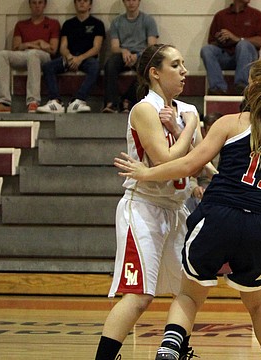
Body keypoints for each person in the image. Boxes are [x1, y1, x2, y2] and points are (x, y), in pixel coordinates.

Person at [114, 57, 261, 360]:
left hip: (218, 216)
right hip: (260, 223)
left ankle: (168, 351)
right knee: (258, 302)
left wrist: (145, 173)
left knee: (190, 295)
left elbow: (190, 163)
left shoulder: (232, 122)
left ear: (255, 87)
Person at [95, 44, 206, 360]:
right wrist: (190, 127)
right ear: (155, 73)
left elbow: (196, 163)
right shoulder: (144, 109)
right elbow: (165, 159)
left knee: (190, 290)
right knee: (138, 296)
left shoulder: (183, 109)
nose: (184, 70)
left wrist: (179, 127)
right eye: (176, 64)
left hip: (175, 210)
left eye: (184, 63)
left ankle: (174, 350)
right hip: (143, 207)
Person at [0, 0, 59, 113]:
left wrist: (33, 45)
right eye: (34, 3)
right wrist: (36, 43)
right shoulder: (21, 25)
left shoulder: (53, 23)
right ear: (29, 5)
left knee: (33, 54)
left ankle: (33, 101)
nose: (37, 6)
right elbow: (16, 46)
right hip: (26, 54)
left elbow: (53, 49)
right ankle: (4, 102)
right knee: (2, 54)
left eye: (40, 3)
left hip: (44, 57)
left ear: (44, 5)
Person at [36, 0, 104, 114]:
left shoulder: (97, 24)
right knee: (48, 66)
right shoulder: (68, 24)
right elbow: (63, 47)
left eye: (85, 1)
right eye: (79, 1)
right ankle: (55, 102)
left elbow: (96, 48)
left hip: (87, 59)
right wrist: (69, 57)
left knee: (95, 66)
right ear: (75, 4)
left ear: (90, 5)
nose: (82, 3)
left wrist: (80, 58)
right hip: (69, 58)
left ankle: (78, 100)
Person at [102, 0, 159, 113]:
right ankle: (111, 103)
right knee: (110, 64)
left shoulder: (148, 20)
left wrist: (137, 55)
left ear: (139, 1)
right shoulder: (116, 22)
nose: (131, 3)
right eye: (128, 0)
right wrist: (123, 51)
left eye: (134, 0)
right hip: (123, 54)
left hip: (142, 55)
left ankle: (127, 100)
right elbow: (114, 47)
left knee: (147, 68)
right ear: (123, 2)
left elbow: (152, 46)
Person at [201, 0, 261, 95]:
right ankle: (217, 88)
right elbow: (211, 42)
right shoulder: (221, 15)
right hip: (227, 56)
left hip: (248, 59)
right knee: (207, 49)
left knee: (243, 44)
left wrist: (237, 39)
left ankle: (242, 85)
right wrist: (220, 40)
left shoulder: (256, 14)